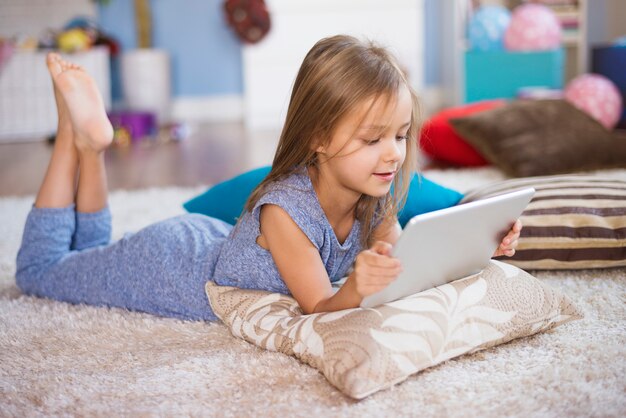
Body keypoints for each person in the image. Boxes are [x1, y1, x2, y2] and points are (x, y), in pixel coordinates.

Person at [16, 35, 522, 321]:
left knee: (90, 251)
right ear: (319, 137)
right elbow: (321, 306)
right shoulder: (285, 213)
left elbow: (411, 267)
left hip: (205, 244)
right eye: (372, 140)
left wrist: (481, 243)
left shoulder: (375, 199)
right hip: (170, 266)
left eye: (401, 135)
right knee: (41, 271)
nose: (392, 154)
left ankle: (90, 147)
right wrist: (357, 288)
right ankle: (71, 136)